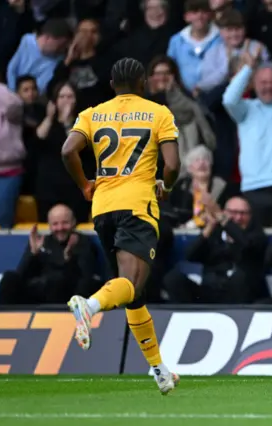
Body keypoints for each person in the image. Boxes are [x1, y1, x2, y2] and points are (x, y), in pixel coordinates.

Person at [61, 57, 181, 395]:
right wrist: (166, 187)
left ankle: (158, 369)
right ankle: (90, 306)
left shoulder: (91, 113)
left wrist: (85, 185)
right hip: (137, 205)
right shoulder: (159, 113)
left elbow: (68, 149)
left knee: (134, 294)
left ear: (112, 85)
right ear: (143, 82)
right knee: (130, 282)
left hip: (103, 207)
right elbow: (172, 165)